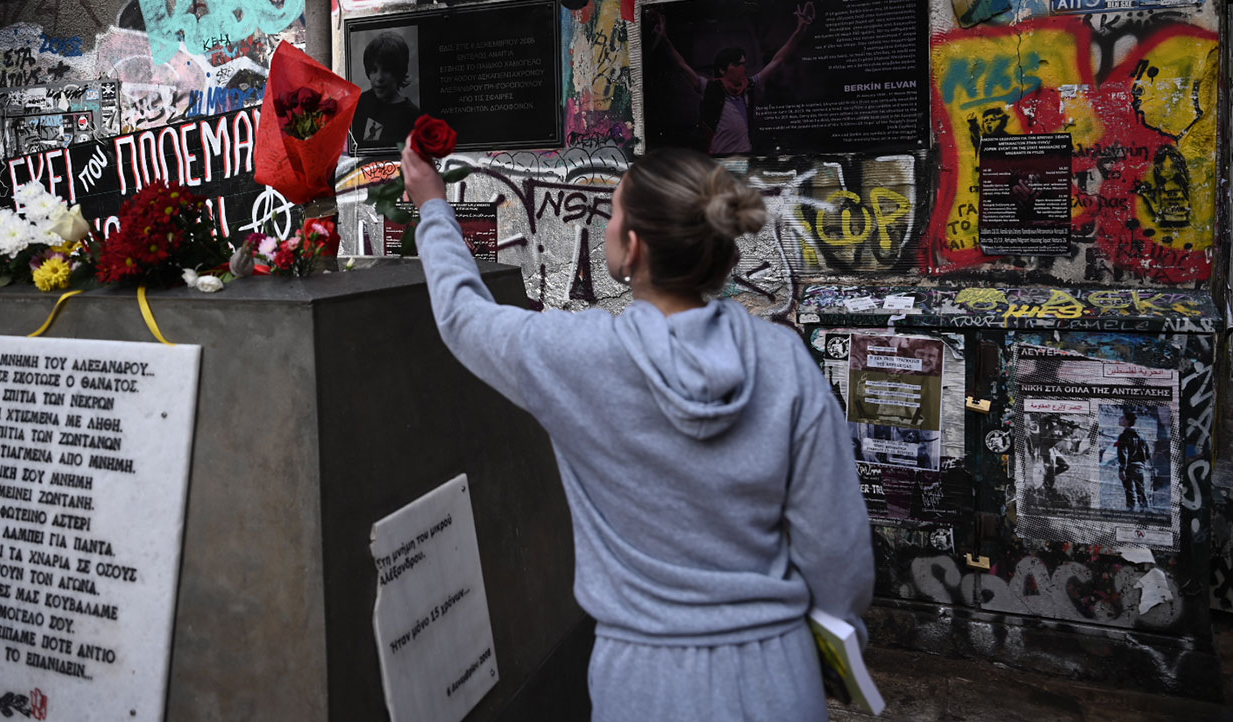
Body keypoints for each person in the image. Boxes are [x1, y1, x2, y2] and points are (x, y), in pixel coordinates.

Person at [400, 143, 874, 721]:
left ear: (634, 248)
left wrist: (433, 207)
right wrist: (837, 641)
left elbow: (462, 316)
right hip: (779, 679)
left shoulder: (579, 358)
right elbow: (838, 550)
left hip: (645, 687)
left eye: (616, 212)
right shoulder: (784, 361)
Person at [651, 4, 814, 155]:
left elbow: (779, 59)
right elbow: (681, 65)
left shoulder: (750, 85)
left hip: (744, 155)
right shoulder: (708, 87)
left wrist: (800, 30)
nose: (743, 68)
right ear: (723, 70)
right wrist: (664, 38)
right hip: (718, 157)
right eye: (738, 64)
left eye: (744, 63)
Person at [351, 31, 420, 148]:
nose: (379, 78)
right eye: (374, 70)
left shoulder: (411, 115)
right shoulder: (362, 102)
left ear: (399, 72)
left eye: (386, 70)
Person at [1115, 409, 1151, 511]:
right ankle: (1145, 511)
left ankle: (1130, 513)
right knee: (1141, 490)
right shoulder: (1142, 435)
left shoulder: (1123, 436)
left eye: (1122, 418)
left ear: (1127, 421)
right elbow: (1147, 454)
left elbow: (1123, 454)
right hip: (1140, 467)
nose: (1120, 419)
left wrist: (1122, 469)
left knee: (1129, 492)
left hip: (1129, 467)